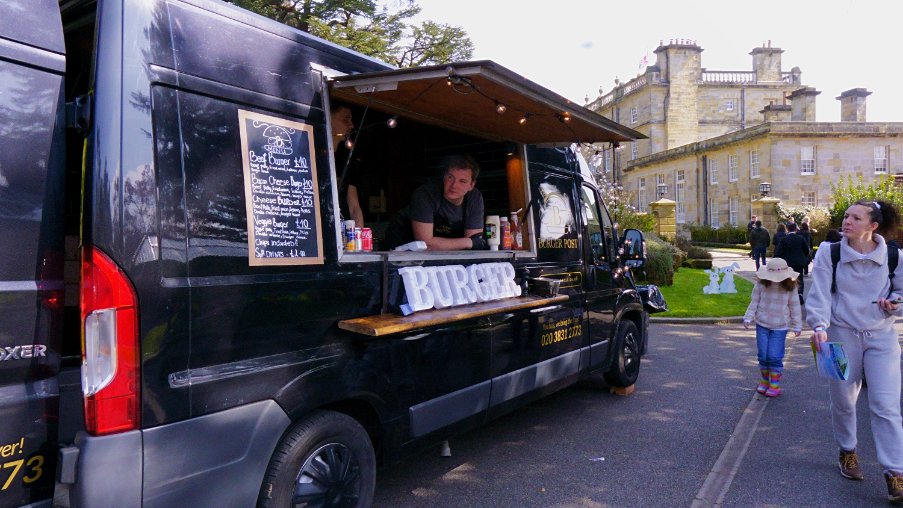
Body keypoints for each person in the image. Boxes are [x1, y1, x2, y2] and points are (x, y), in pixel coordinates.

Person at [806, 200, 903, 503]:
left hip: (881, 337)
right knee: (844, 401)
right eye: (846, 216)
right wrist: (819, 325)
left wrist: (895, 302)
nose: (847, 221)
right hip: (839, 335)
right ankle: (847, 451)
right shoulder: (829, 252)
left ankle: (895, 473)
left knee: (886, 405)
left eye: (856, 218)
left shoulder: (894, 255)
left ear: (873, 226)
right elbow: (820, 290)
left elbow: (900, 291)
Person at [384, 154, 486, 250]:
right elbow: (424, 245)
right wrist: (468, 242)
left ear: (471, 185)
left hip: (442, 249)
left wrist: (470, 243)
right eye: (450, 177)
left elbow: (475, 243)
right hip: (402, 243)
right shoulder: (426, 194)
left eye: (462, 181)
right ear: (444, 177)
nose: (454, 185)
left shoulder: (475, 198)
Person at [743, 258, 802, 397]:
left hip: (780, 327)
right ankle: (764, 381)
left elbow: (795, 307)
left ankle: (774, 385)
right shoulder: (761, 284)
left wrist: (797, 325)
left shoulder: (790, 287)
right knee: (763, 355)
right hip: (762, 324)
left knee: (774, 356)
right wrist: (748, 317)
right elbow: (754, 302)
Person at [331, 103, 365, 227]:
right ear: (328, 118)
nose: (351, 125)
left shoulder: (347, 157)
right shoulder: (313, 154)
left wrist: (359, 238)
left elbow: (354, 206)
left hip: (344, 229)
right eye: (346, 119)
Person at [777, 222, 811, 304]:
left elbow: (779, 252)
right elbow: (806, 250)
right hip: (799, 262)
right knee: (800, 279)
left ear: (787, 229)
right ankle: (799, 295)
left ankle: (788, 296)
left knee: (788, 279)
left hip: (788, 263)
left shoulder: (784, 239)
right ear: (796, 229)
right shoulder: (801, 238)